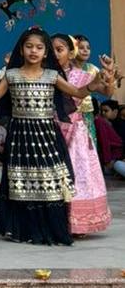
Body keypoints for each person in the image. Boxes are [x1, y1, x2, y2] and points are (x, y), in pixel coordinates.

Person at [0, 27, 111, 245]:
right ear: (21, 49)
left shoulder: (52, 76)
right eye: (29, 47)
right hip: (20, 135)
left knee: (51, 180)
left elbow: (76, 92)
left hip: (47, 135)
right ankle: (23, 230)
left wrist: (95, 83)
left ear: (46, 52)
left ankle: (50, 228)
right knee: (21, 182)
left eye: (39, 47)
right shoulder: (11, 75)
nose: (33, 51)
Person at [50, 34, 113, 235]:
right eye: (51, 50)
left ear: (71, 53)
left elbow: (108, 92)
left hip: (75, 132)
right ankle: (53, 221)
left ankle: (78, 222)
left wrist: (109, 74)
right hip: (50, 130)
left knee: (79, 173)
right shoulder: (45, 75)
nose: (54, 54)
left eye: (59, 50)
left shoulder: (81, 75)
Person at [96, 100, 124, 167]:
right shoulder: (104, 122)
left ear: (115, 112)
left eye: (106, 111)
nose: (103, 113)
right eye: (101, 111)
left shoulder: (120, 125)